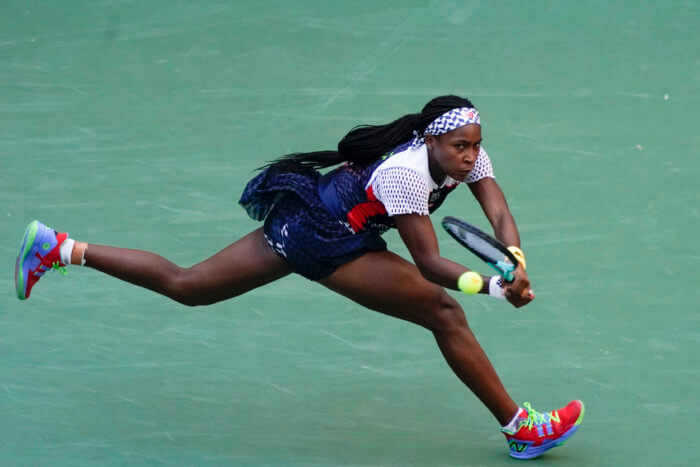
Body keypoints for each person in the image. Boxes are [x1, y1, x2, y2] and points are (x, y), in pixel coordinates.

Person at [14, 95, 584, 460]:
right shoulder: (408, 176)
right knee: (443, 310)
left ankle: (60, 248)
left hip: (317, 218)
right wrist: (494, 286)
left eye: (475, 146)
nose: (471, 157)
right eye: (460, 146)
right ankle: (520, 427)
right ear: (432, 141)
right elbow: (431, 264)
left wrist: (514, 255)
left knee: (190, 286)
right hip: (325, 236)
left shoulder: (465, 153)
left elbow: (498, 210)